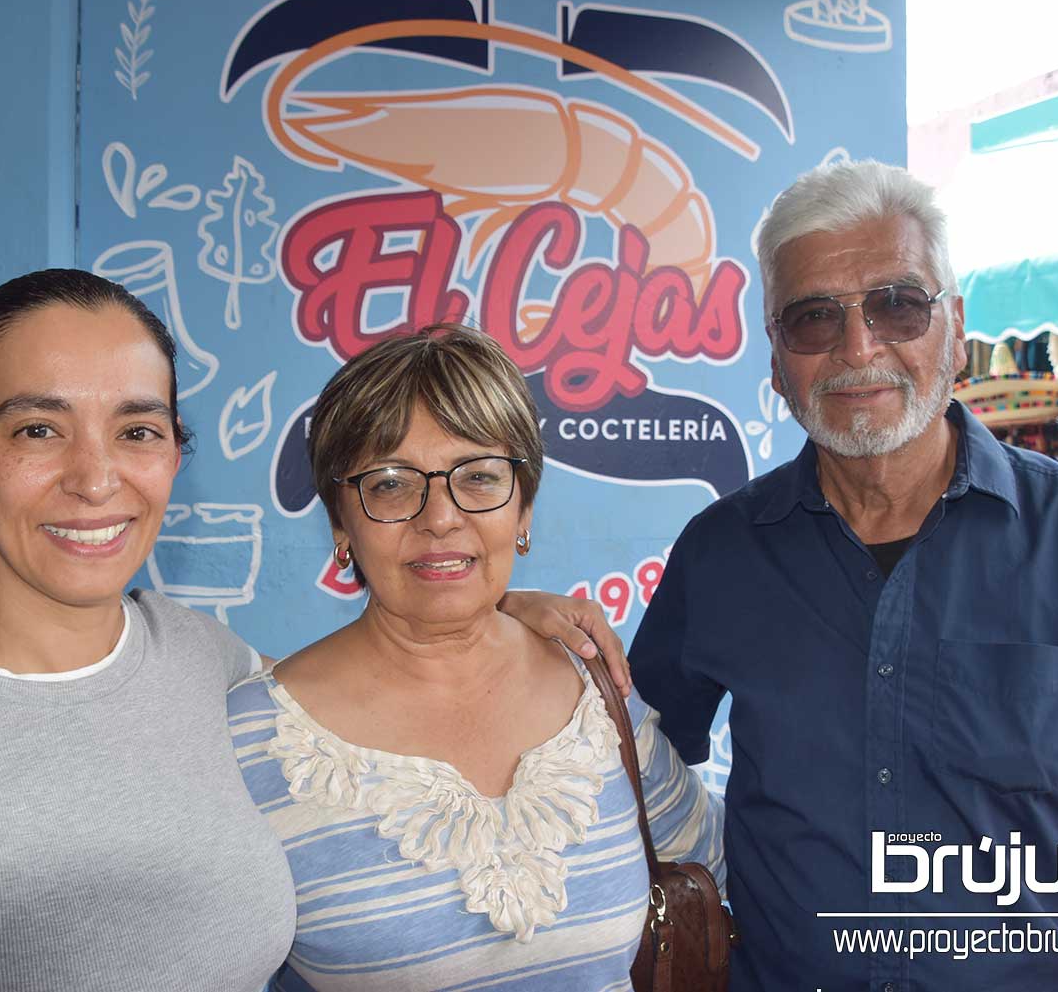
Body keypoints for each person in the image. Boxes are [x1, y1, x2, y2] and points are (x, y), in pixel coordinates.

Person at [0, 270, 631, 992]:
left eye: (136, 430)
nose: (94, 479)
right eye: (38, 428)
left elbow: (393, 679)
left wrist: (494, 608)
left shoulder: (208, 663)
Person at [630, 159, 1058, 991]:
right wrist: (506, 627)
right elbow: (628, 763)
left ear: (956, 328)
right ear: (775, 358)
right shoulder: (720, 554)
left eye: (898, 305)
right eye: (813, 318)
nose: (858, 347)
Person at [227, 325, 726, 990]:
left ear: (523, 508)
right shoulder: (250, 742)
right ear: (341, 521)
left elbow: (719, 858)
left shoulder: (596, 691)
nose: (439, 517)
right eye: (391, 483)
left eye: (479, 476)